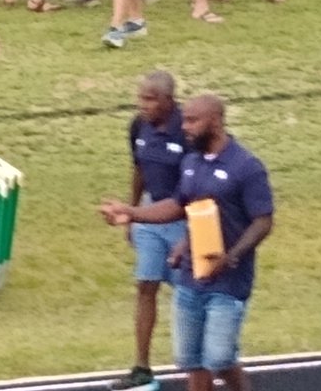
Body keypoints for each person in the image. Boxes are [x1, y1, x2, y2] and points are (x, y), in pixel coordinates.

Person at [101, 94, 274, 391]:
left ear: (216, 122)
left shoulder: (246, 166)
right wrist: (131, 213)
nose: (186, 127)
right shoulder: (191, 162)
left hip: (229, 282)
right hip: (192, 277)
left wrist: (232, 256)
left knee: (219, 359)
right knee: (190, 359)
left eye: (193, 121)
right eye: (185, 121)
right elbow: (177, 205)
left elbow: (263, 221)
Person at [109, 72, 188, 391]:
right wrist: (132, 213)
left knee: (189, 292)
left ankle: (203, 362)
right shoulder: (138, 126)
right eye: (141, 98)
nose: (143, 105)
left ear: (169, 100)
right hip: (149, 214)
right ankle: (142, 367)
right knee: (145, 286)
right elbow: (138, 168)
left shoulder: (188, 129)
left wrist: (191, 233)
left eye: (151, 99)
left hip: (183, 219)